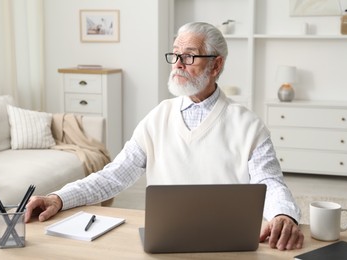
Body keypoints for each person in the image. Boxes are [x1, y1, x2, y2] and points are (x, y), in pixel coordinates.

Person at [25, 22, 304, 251]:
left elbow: (269, 181)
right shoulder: (157, 117)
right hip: (167, 246)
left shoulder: (249, 125)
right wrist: (58, 198)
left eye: (189, 56)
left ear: (216, 66)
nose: (178, 64)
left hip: (231, 247)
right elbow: (114, 175)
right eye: (175, 55)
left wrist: (284, 214)